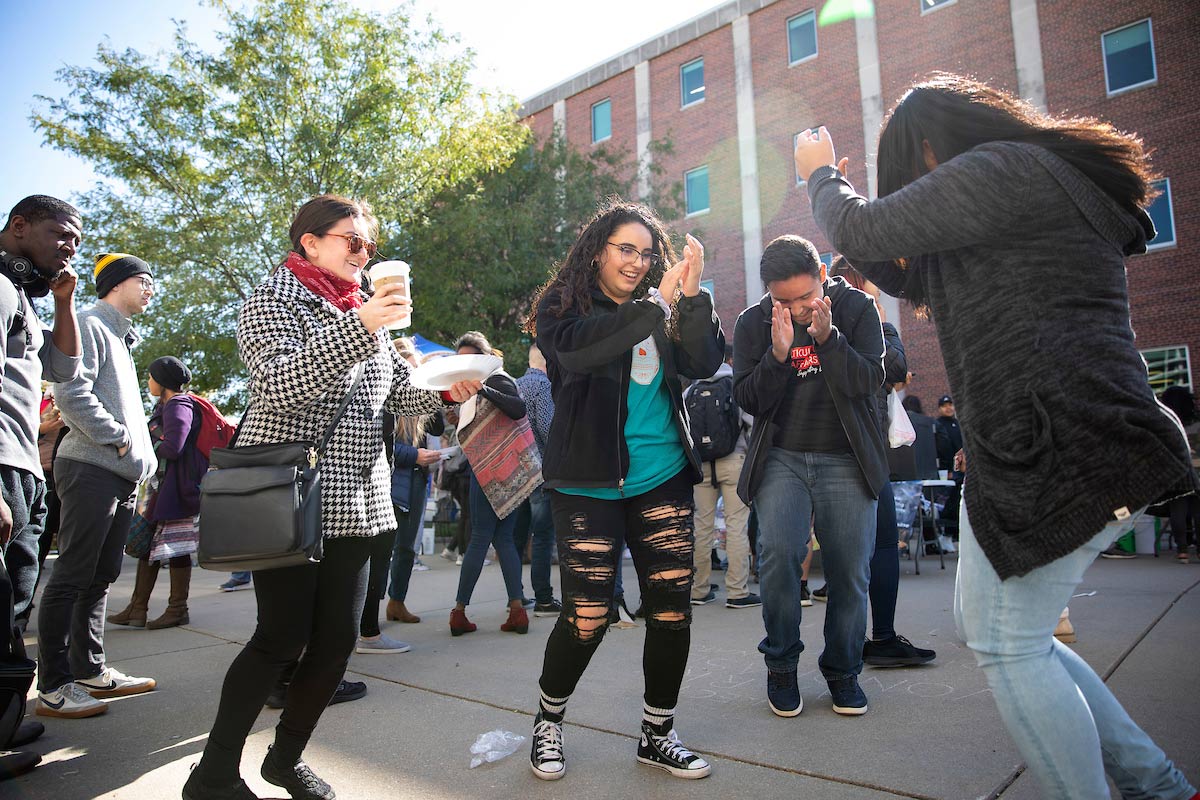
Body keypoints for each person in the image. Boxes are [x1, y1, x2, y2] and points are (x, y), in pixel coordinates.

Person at [795, 72, 1197, 800]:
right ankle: (1158, 786)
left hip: (1068, 439)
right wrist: (857, 236)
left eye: (906, 179)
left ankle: (1142, 788)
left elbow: (865, 230)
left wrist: (819, 176)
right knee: (1005, 634)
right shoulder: (1013, 194)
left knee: (1009, 643)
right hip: (1044, 443)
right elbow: (902, 270)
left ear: (927, 149)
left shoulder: (1005, 169)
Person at [183, 195, 481, 800]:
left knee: (339, 640)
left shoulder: (369, 315)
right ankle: (213, 772)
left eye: (368, 244)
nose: (363, 253)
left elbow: (400, 399)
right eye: (351, 240)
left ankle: (284, 760)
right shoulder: (273, 298)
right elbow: (279, 383)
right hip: (289, 495)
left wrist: (449, 390)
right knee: (280, 637)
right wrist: (362, 324)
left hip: (357, 500)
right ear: (310, 242)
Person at [526, 199, 723, 781]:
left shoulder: (662, 307)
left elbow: (705, 360)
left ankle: (657, 734)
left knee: (670, 613)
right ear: (597, 250)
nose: (637, 262)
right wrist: (655, 303)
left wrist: (689, 296)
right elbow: (581, 353)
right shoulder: (563, 307)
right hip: (588, 482)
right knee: (587, 616)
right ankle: (548, 720)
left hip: (661, 474)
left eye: (646, 253)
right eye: (625, 250)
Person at [732, 235, 888, 719]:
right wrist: (776, 358)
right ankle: (780, 664)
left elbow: (869, 382)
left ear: (822, 274)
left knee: (849, 571)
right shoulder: (753, 322)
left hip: (846, 457)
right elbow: (748, 399)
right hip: (782, 457)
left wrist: (828, 338)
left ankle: (843, 670)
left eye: (805, 296)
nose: (797, 308)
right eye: (784, 300)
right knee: (778, 558)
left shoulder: (857, 307)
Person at [39, 252, 158, 719]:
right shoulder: (89, 323)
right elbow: (68, 392)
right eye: (143, 280)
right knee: (72, 574)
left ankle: (89, 669)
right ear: (116, 283)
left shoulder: (120, 337)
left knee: (101, 576)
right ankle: (53, 685)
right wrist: (121, 440)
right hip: (90, 467)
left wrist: (134, 459)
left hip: (119, 474)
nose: (150, 289)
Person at [0, 195, 82, 779]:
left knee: (13, 604)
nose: (69, 247)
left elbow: (64, 369)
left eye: (77, 240)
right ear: (19, 227)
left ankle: (1, 723)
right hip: (1, 467)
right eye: (60, 234)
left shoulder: (26, 299)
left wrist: (64, 302)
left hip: (25, 467)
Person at [823, 257, 935, 668]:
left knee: (848, 551)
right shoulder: (862, 317)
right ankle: (873, 640)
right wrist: (883, 323)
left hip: (837, 447)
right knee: (879, 544)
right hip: (859, 449)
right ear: (856, 279)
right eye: (873, 278)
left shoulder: (819, 317)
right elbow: (897, 368)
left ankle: (858, 643)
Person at [107, 356, 207, 630]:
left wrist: (142, 446)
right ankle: (137, 608)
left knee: (177, 547)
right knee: (149, 545)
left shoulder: (178, 404)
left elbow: (173, 447)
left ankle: (178, 609)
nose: (148, 382)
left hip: (179, 488)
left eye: (151, 377)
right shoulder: (166, 405)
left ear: (162, 381)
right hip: (166, 486)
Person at [447, 331, 530, 636]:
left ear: (483, 358)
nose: (463, 365)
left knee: (484, 538)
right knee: (501, 540)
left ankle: (460, 611)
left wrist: (483, 391)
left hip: (493, 471)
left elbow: (518, 408)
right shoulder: (474, 387)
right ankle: (516, 610)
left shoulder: (496, 379)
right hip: (498, 471)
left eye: (469, 358)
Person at [682, 345, 757, 609]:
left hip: (701, 466)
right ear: (727, 360)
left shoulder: (690, 390)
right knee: (737, 525)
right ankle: (737, 591)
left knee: (701, 525)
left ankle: (698, 589)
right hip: (733, 462)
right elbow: (751, 423)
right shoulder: (736, 385)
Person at [378, 336, 443, 630]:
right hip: (391, 482)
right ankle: (368, 614)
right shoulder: (385, 402)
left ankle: (397, 601)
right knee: (381, 550)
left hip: (417, 481)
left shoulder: (417, 404)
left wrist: (433, 388)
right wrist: (415, 455)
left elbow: (439, 426)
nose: (413, 376)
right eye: (409, 368)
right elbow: (383, 446)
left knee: (407, 548)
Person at [514, 343, 563, 617]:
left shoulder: (515, 385)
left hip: (516, 473)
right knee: (543, 536)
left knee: (517, 537)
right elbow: (549, 429)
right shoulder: (543, 387)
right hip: (540, 472)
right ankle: (544, 598)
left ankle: (516, 596)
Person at [1160, 386, 1199, 562]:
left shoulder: (1166, 423)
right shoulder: (1196, 425)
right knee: (1198, 509)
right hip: (1197, 471)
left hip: (1176, 472)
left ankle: (1182, 550)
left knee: (1178, 509)